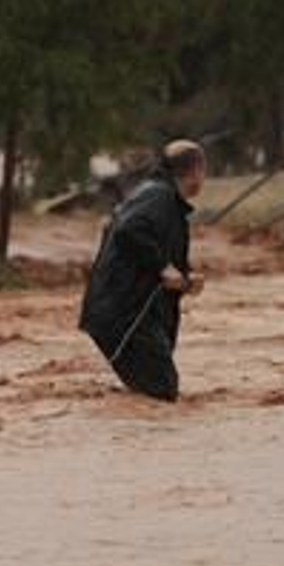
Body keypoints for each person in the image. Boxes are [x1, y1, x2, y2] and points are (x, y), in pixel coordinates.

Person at [79, 139, 207, 402]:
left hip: (128, 315)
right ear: (195, 170)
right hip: (124, 317)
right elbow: (128, 230)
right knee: (162, 390)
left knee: (152, 393)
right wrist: (163, 267)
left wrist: (185, 275)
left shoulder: (164, 199)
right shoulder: (158, 196)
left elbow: (152, 244)